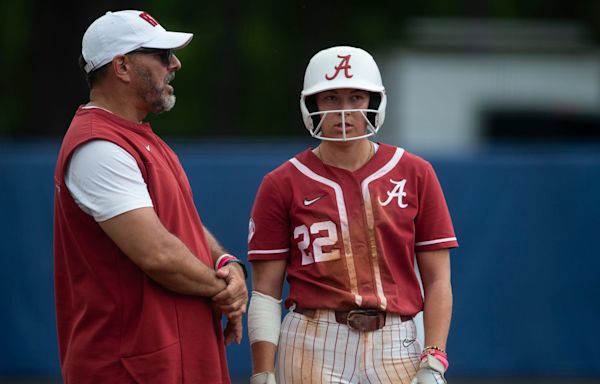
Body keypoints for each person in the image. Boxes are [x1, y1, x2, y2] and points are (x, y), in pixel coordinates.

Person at [53, 10, 247, 383]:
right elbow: (157, 254)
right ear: (122, 66)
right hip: (128, 366)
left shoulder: (137, 134)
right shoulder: (98, 146)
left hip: (168, 357)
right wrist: (224, 290)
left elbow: (180, 225)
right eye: (161, 55)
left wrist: (226, 262)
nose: (174, 63)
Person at [247, 46, 457, 384]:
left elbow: (437, 279)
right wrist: (262, 370)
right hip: (313, 335)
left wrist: (434, 356)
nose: (344, 110)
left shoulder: (415, 172)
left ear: (374, 101)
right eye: (330, 98)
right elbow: (265, 292)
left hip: (396, 337)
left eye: (356, 97)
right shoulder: (281, 182)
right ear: (312, 104)